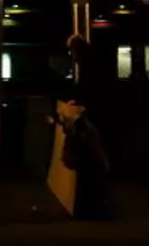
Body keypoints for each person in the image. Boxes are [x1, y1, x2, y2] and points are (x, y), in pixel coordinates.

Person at [61, 34, 111, 220]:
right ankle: (99, 205)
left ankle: (92, 207)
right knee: (97, 162)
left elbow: (87, 89)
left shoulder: (86, 64)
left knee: (92, 162)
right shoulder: (94, 60)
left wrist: (79, 102)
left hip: (93, 116)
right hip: (99, 114)